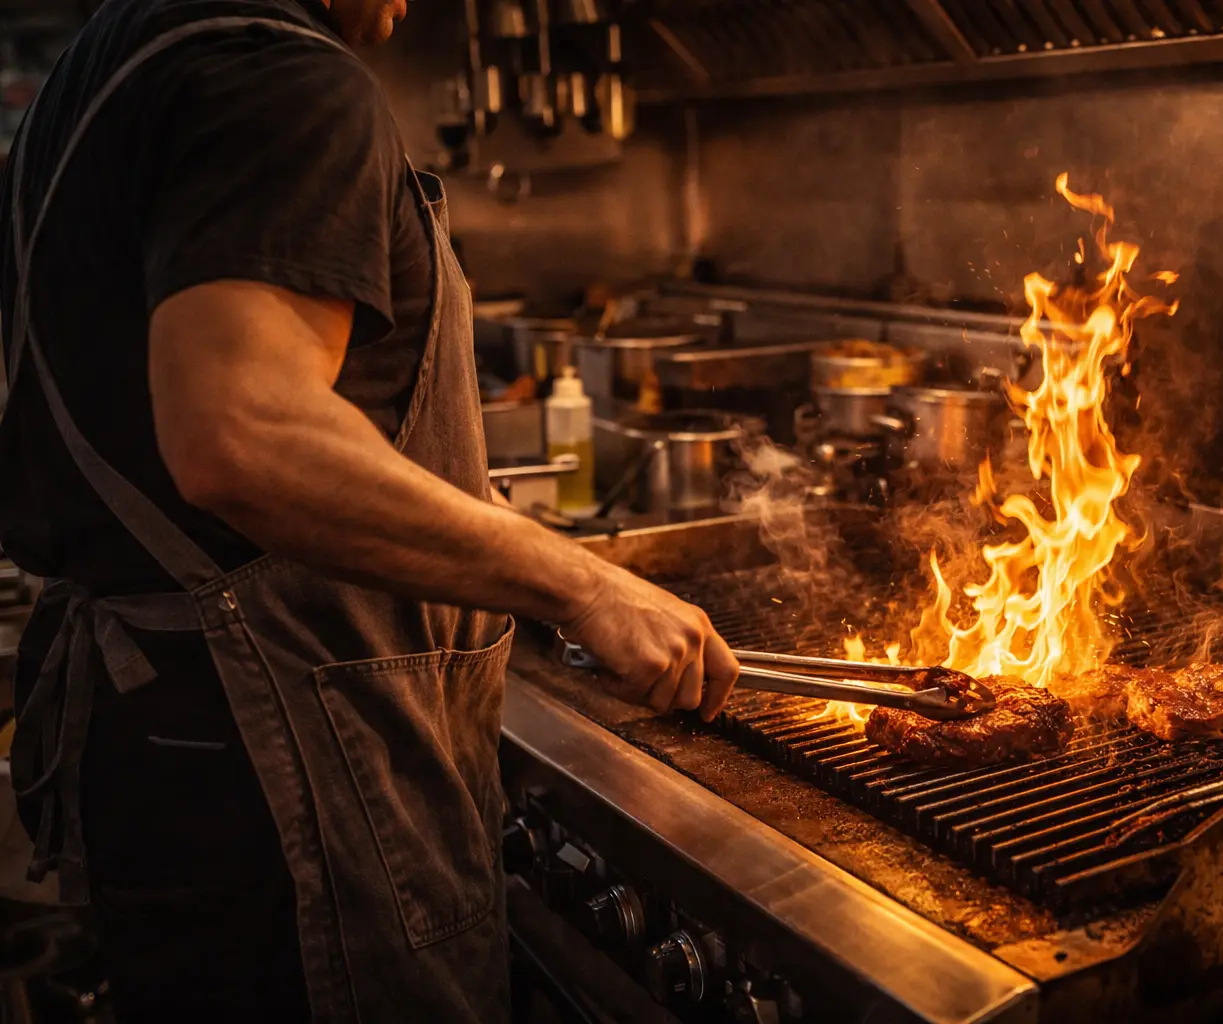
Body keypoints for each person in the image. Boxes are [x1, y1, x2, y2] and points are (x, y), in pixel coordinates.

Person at [0, 0, 740, 1020]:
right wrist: (577, 583)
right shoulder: (280, 76)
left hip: (175, 742)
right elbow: (244, 435)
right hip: (291, 760)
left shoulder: (113, 62)